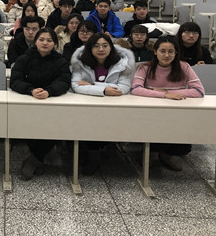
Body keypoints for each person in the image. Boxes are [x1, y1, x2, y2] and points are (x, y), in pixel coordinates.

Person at [131, 35, 205, 171]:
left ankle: (167, 155)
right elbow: (135, 89)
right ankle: (150, 153)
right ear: (155, 52)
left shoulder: (184, 66)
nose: (166, 55)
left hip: (178, 111)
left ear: (176, 53)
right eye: (163, 51)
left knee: (182, 144)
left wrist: (169, 92)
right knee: (155, 133)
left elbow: (199, 91)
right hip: (152, 112)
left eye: (171, 51)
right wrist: (164, 95)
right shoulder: (145, 67)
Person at [69, 33, 135, 173]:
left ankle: (96, 153)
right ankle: (89, 153)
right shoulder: (80, 63)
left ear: (111, 47)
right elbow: (76, 85)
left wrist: (93, 85)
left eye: (105, 45)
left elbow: (123, 88)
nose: (101, 49)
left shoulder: (122, 64)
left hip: (112, 107)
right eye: (96, 46)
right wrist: (105, 90)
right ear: (90, 48)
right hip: (86, 106)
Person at [11, 28, 72, 180]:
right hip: (29, 102)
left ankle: (34, 160)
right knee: (30, 125)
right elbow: (15, 80)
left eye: (49, 40)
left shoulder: (61, 62)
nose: (45, 43)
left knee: (55, 127)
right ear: (35, 41)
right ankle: (38, 158)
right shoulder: (24, 59)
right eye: (41, 39)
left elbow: (64, 82)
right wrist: (30, 90)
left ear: (55, 43)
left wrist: (49, 92)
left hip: (52, 104)